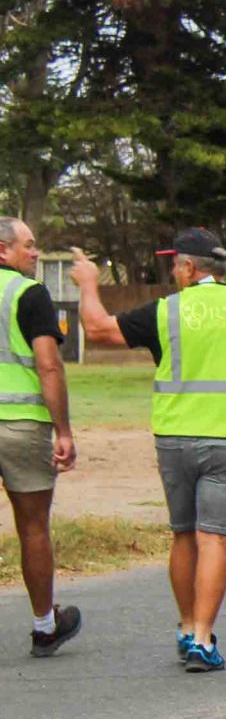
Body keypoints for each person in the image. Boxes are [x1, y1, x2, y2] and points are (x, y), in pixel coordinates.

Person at [73, 229, 226, 674]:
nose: (173, 273)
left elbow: (98, 330)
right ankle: (202, 639)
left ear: (191, 268)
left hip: (175, 437)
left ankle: (184, 625)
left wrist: (86, 284)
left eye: (175, 265)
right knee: (213, 537)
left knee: (183, 533)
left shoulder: (167, 311)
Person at [0, 219, 80, 657]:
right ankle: (45, 626)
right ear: (2, 250)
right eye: (28, 246)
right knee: (33, 526)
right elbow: (48, 365)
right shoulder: (28, 295)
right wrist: (63, 429)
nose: (35, 254)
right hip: (21, 424)